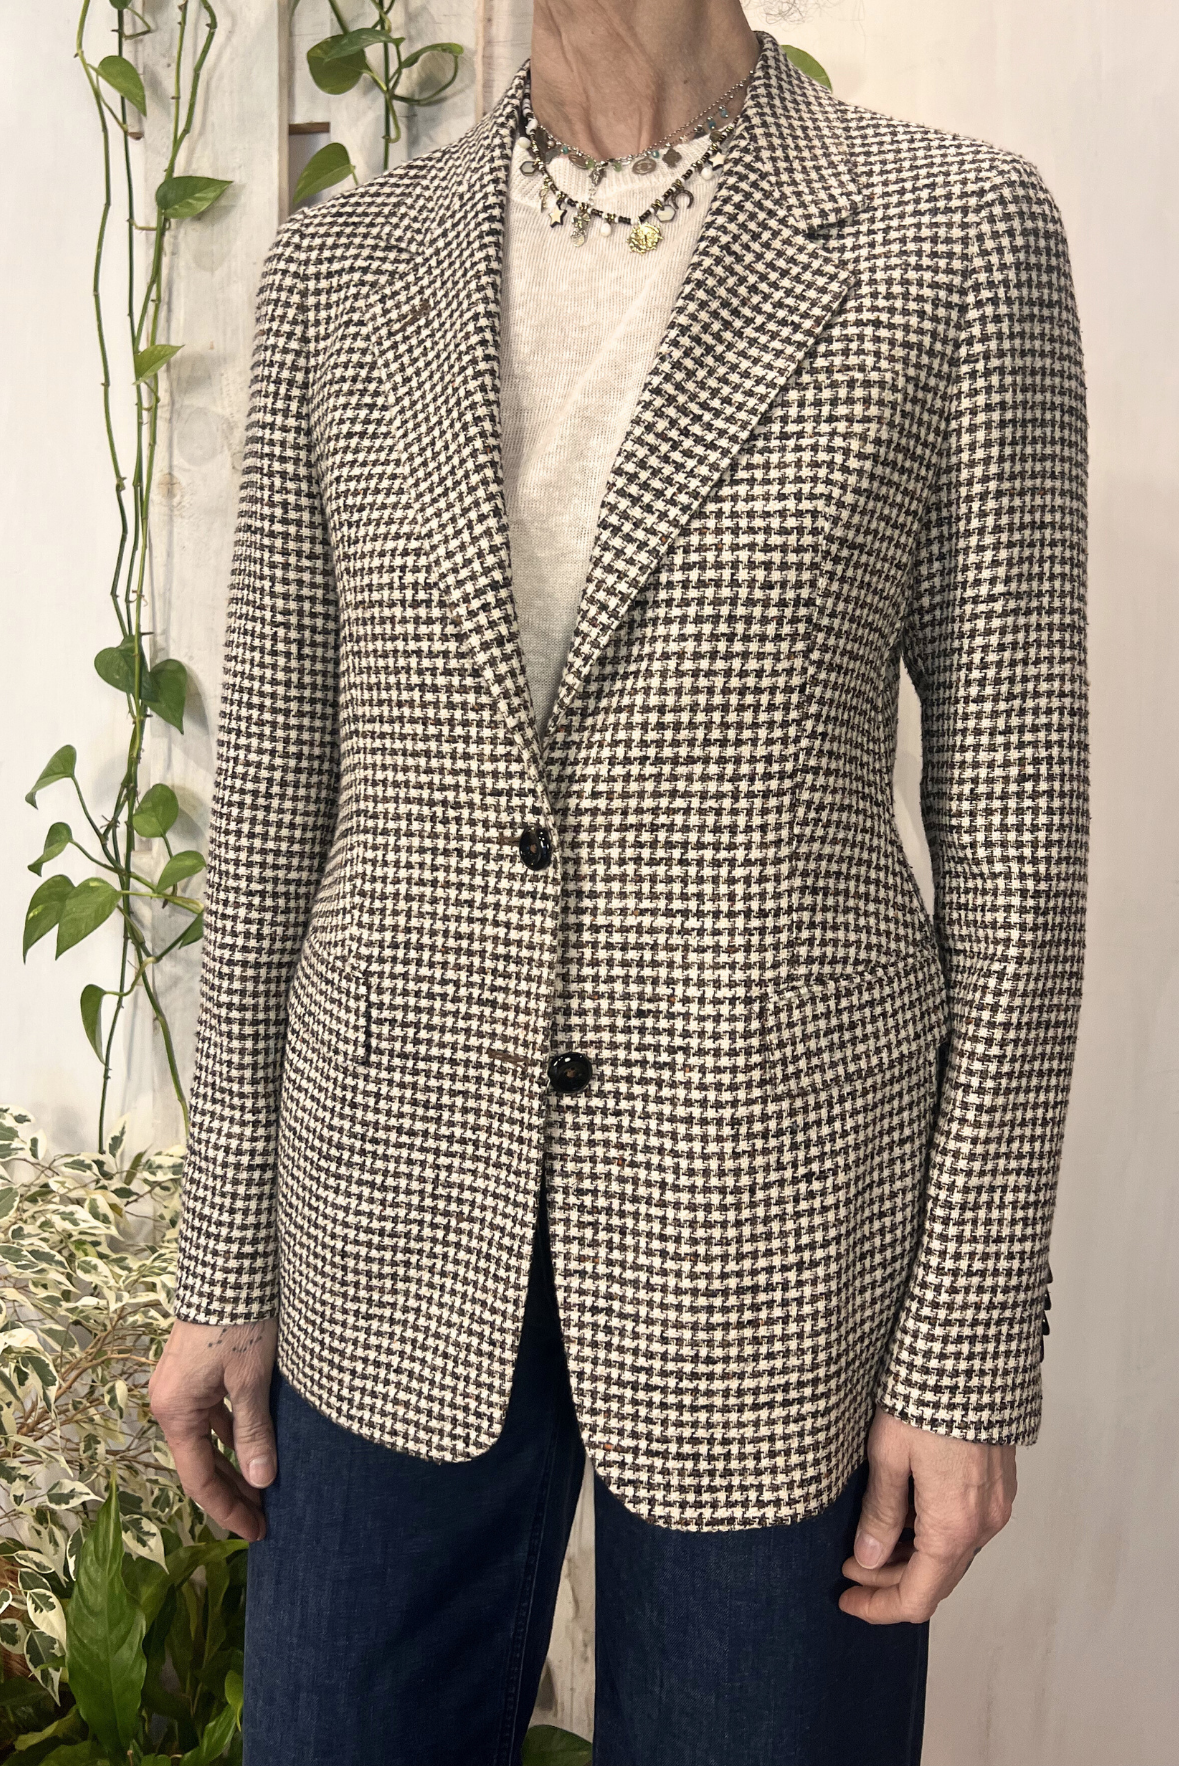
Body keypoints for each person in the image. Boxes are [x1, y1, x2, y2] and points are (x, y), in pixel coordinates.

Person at [149, 0, 1088, 1759]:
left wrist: (964, 1348)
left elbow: (1019, 853)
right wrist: (224, 1255)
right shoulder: (342, 269)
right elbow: (275, 799)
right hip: (386, 1221)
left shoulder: (951, 238)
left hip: (775, 1241)